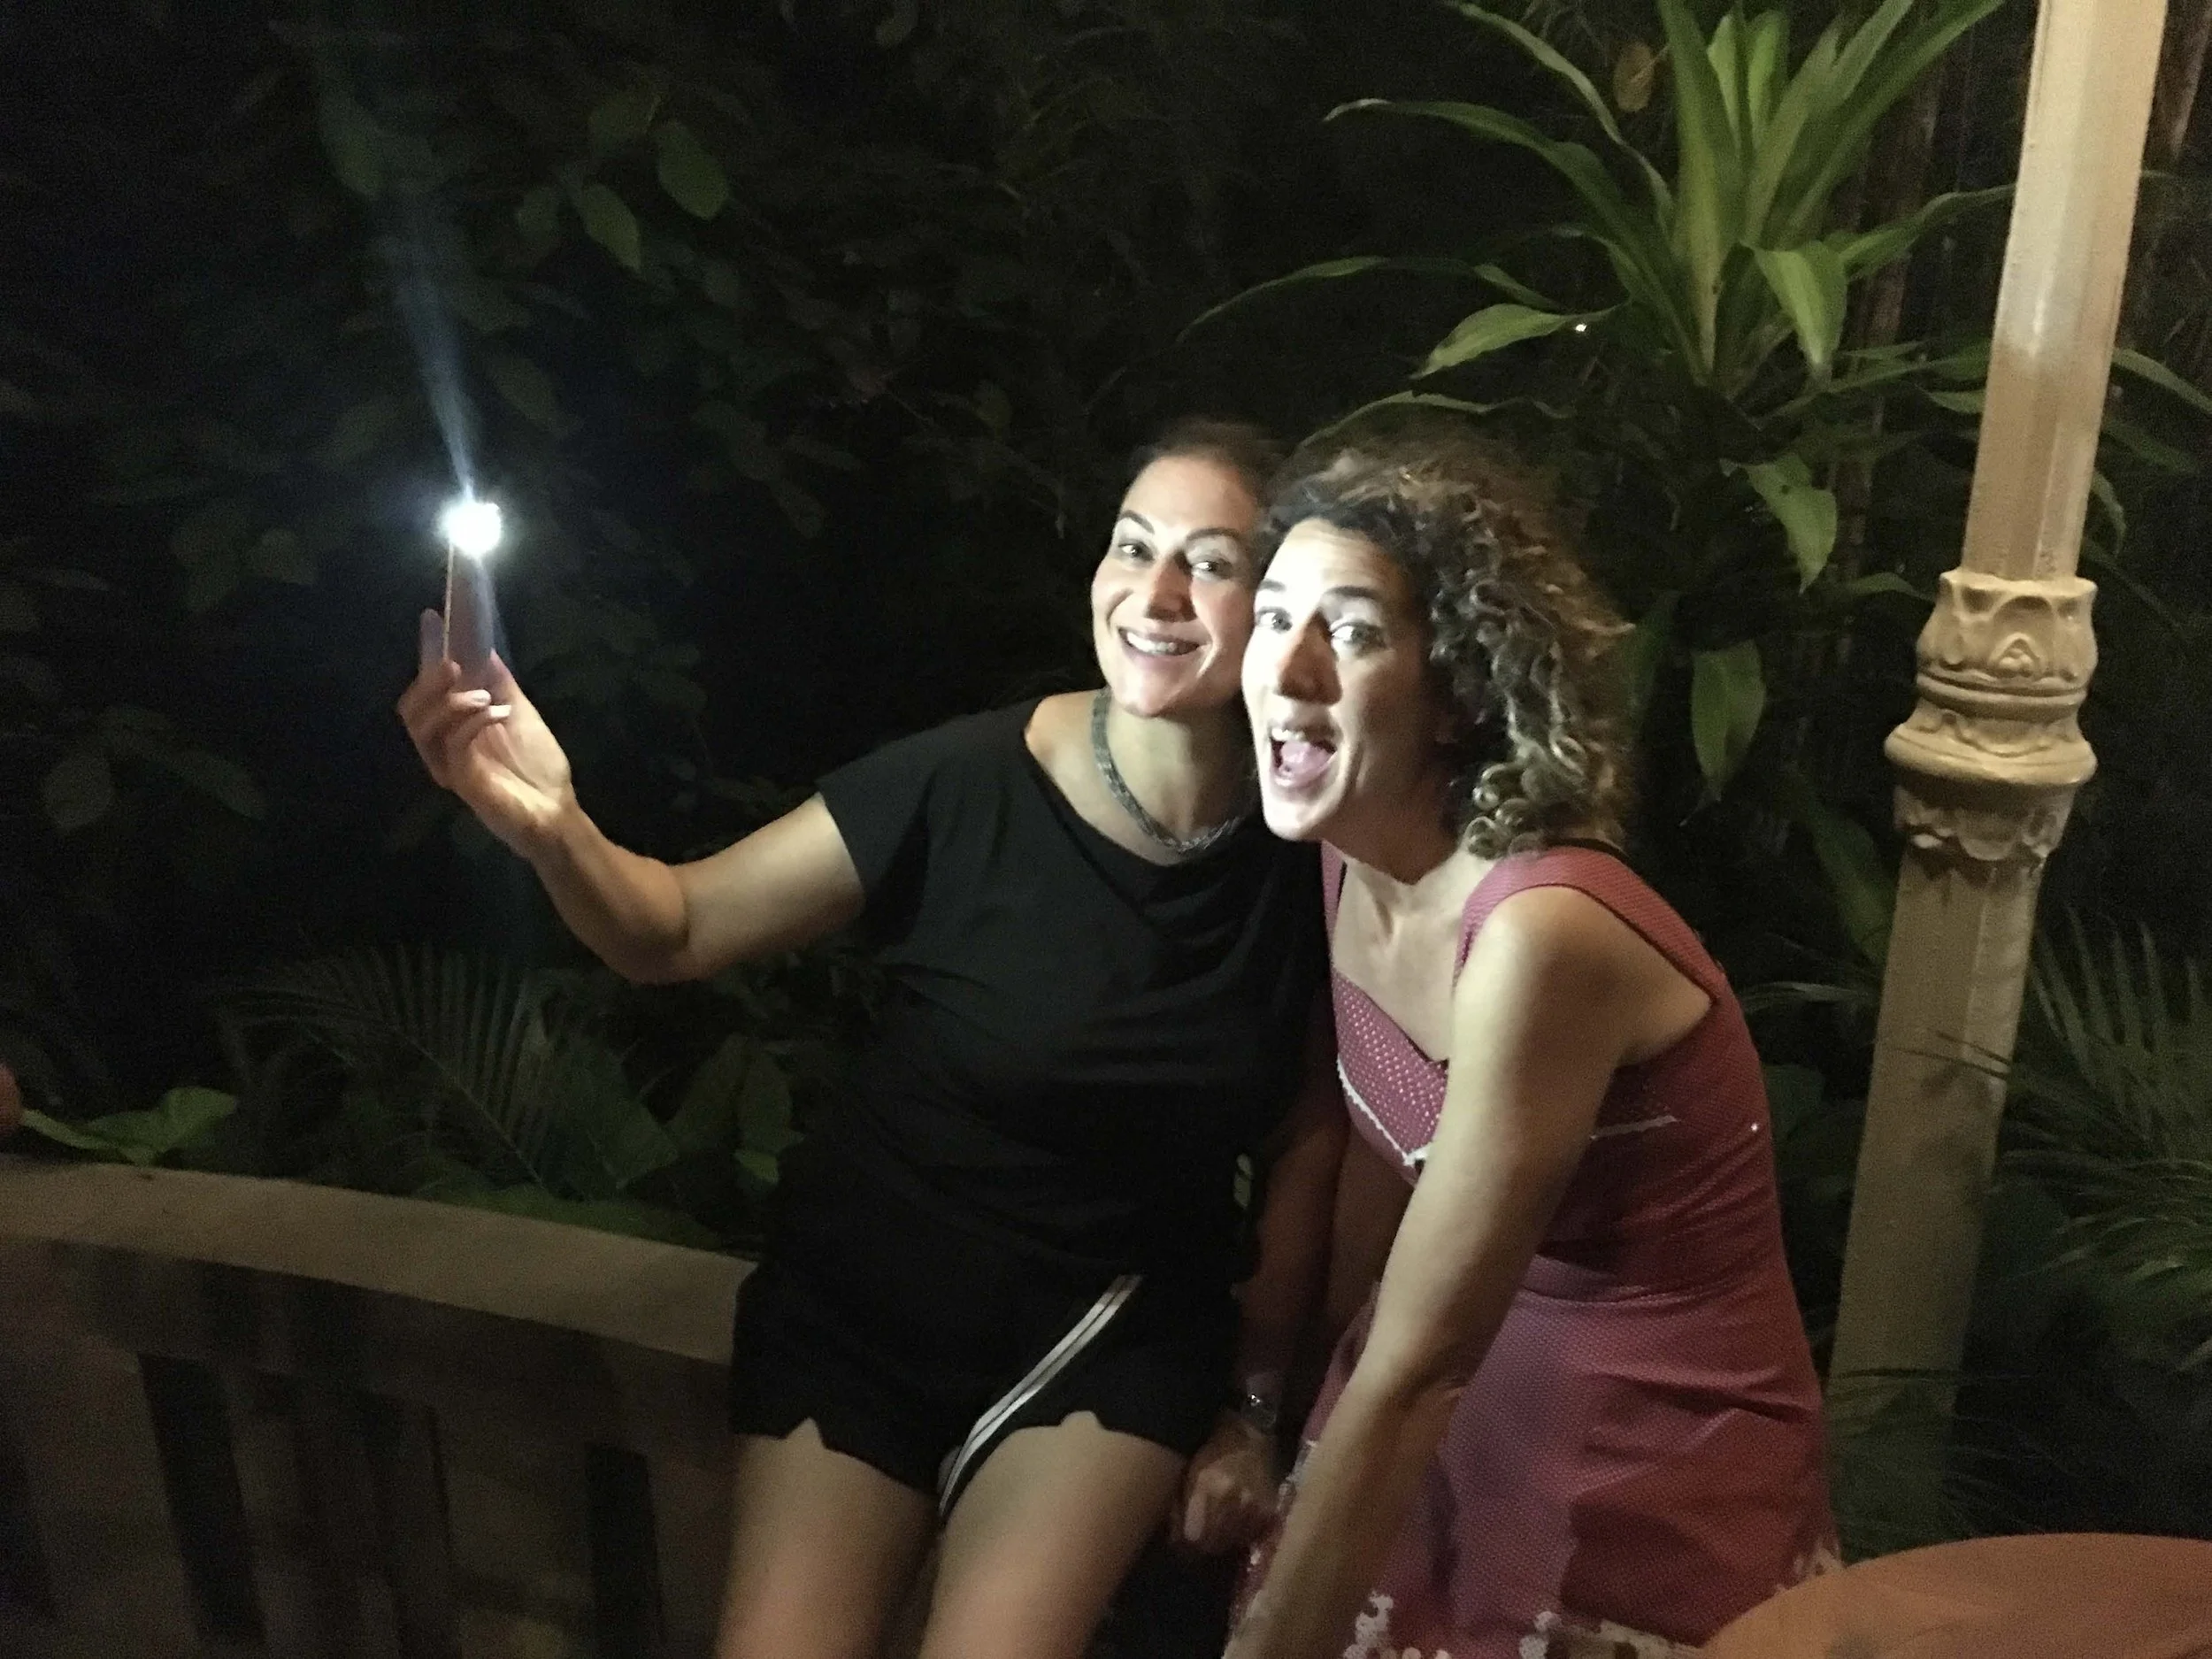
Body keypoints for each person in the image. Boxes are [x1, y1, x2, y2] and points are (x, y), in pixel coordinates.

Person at [397, 419, 1341, 1659]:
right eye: (1132, 545)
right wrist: (554, 825)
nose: (1155, 594)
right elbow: (673, 929)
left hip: (1106, 1332)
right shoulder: (964, 781)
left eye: (1209, 563)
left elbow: (1309, 1136)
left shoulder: (1311, 853)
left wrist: (1256, 1409)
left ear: (1277, 606)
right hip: (872, 1303)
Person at [1228, 419, 1837, 1659]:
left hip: (1642, 1435)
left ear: (1458, 690)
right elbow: (1380, 1167)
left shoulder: (1537, 931)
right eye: (1273, 615)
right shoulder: (1346, 856)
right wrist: (1285, 1408)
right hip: (1453, 1367)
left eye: (1351, 631)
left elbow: (1420, 1369)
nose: (1287, 667)